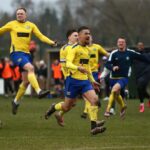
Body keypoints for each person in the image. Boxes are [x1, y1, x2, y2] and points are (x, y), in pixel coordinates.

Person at [45, 26, 106, 135]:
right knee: (67, 106)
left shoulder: (87, 50)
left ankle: (93, 127)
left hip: (84, 82)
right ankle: (54, 107)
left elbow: (87, 68)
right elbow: (67, 63)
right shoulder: (72, 49)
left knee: (95, 100)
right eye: (86, 34)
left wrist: (92, 80)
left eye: (89, 34)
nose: (88, 36)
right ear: (80, 36)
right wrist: (77, 68)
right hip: (72, 81)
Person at [0, 7, 57, 115]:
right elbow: (1, 30)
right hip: (16, 53)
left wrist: (51, 42)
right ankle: (39, 91)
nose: (19, 15)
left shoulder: (31, 25)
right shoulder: (12, 24)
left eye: (21, 14)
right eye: (18, 14)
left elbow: (40, 36)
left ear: (26, 15)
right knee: (31, 68)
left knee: (26, 82)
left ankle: (15, 101)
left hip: (26, 55)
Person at [104, 38, 150, 118]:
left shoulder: (130, 53)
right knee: (116, 94)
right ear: (117, 43)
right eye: (119, 42)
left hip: (123, 78)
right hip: (113, 78)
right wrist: (113, 67)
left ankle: (108, 110)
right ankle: (122, 106)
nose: (121, 43)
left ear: (125, 44)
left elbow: (142, 58)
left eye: (122, 42)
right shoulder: (114, 53)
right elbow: (107, 64)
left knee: (114, 90)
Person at [81, 35, 109, 119]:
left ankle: (86, 111)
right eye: (87, 37)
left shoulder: (97, 47)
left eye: (90, 37)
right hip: (85, 73)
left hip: (94, 73)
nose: (88, 38)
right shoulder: (82, 49)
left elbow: (107, 53)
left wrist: (114, 55)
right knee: (87, 93)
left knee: (92, 92)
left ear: (92, 39)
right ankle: (89, 109)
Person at [133, 42, 150, 112]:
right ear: (137, 47)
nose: (140, 46)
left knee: (140, 86)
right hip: (138, 75)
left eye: (141, 45)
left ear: (143, 47)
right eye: (139, 45)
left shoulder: (147, 55)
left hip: (146, 74)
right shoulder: (134, 55)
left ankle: (141, 104)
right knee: (141, 90)